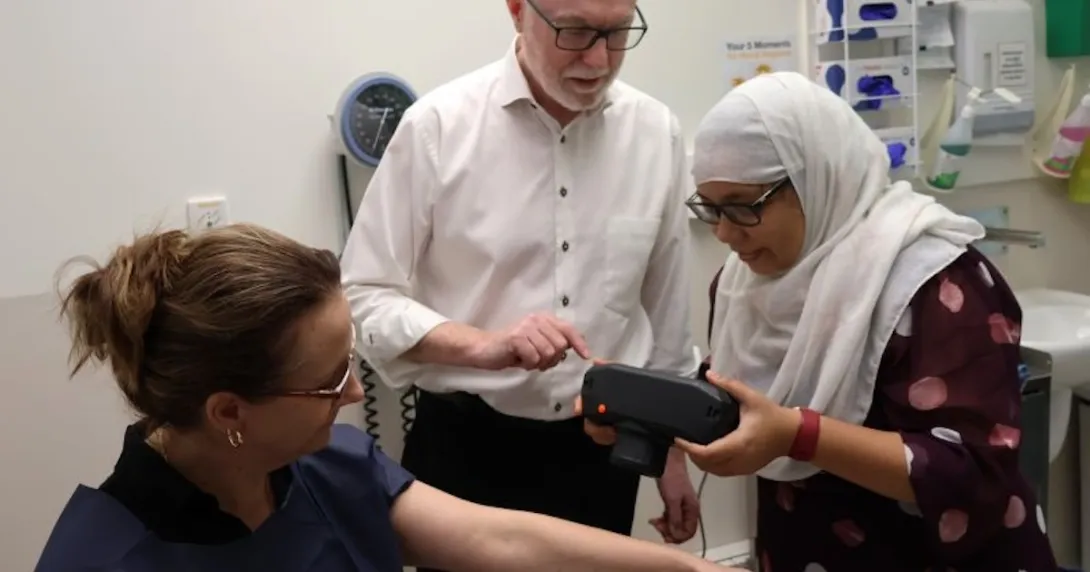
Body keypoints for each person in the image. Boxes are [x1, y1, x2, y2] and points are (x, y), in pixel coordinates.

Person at [35, 224, 742, 572]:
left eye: (351, 366)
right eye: (326, 382)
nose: (349, 394)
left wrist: (690, 570)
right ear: (229, 413)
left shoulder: (330, 465)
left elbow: (502, 538)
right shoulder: (106, 556)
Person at [579, 71, 1059, 571]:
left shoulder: (936, 282)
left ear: (815, 178)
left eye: (742, 207)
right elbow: (740, 407)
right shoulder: (741, 284)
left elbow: (976, 471)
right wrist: (642, 417)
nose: (723, 232)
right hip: (803, 544)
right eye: (710, 209)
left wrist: (797, 435)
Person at [339, 0, 700, 554]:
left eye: (618, 32)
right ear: (515, 10)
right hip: (466, 448)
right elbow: (362, 294)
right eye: (575, 31)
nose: (599, 59)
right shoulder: (438, 127)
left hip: (603, 451)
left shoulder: (656, 132)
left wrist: (671, 452)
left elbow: (669, 311)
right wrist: (481, 345)